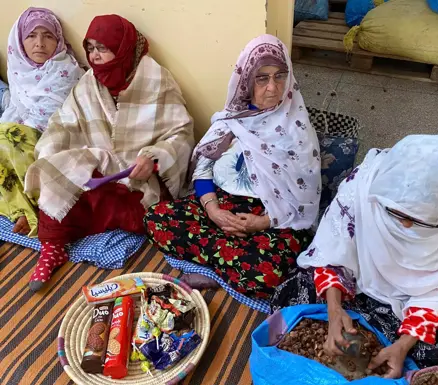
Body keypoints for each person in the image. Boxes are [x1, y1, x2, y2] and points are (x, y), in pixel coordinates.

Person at [144, 34, 321, 300]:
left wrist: (262, 222)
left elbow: (304, 198)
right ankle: (226, 265)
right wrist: (213, 210)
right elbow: (202, 170)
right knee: (156, 219)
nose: (272, 87)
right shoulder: (230, 120)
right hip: (220, 206)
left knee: (270, 270)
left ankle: (211, 267)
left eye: (280, 76)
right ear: (246, 80)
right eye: (262, 78)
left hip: (270, 216)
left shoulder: (296, 127)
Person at [24, 14, 194, 291]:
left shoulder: (156, 80)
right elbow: (63, 123)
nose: (95, 56)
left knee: (153, 217)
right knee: (60, 179)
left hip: (137, 177)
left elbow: (182, 133)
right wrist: (51, 155)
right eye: (90, 47)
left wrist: (153, 159)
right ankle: (52, 249)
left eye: (103, 47)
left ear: (124, 46)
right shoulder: (89, 82)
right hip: (99, 168)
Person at [270, 134, 438, 376]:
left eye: (421, 221)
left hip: (416, 303)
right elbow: (332, 249)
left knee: (437, 354)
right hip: (354, 284)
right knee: (295, 291)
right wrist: (334, 311)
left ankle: (391, 350)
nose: (405, 226)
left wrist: (403, 345)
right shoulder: (363, 186)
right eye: (395, 214)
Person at [0, 7, 84, 236]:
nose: (39, 43)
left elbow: (44, 119)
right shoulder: (18, 69)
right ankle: (20, 210)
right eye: (31, 36)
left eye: (48, 36)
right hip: (23, 133)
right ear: (19, 41)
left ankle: (36, 210)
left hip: (56, 141)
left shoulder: (65, 70)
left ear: (58, 41)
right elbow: (15, 108)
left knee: (7, 138)